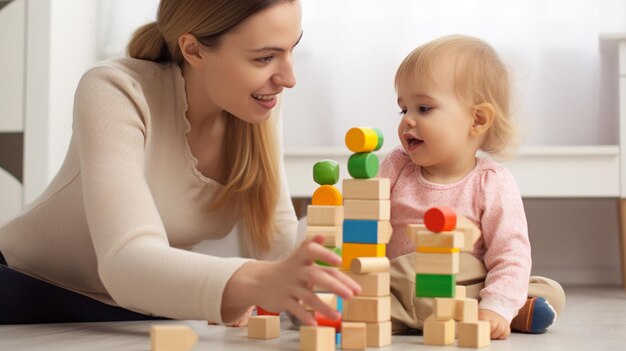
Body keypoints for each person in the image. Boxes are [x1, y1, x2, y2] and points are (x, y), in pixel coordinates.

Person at [0, 0, 360, 325]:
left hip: (135, 313)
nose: (289, 79)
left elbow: (275, 242)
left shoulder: (258, 106)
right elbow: (127, 261)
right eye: (264, 58)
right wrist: (253, 281)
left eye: (291, 49)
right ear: (194, 50)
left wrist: (340, 240)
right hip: (25, 290)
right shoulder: (116, 90)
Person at [381, 35, 566, 339]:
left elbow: (510, 252)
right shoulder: (395, 166)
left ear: (477, 119)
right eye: (404, 109)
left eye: (424, 108)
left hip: (464, 290)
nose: (407, 122)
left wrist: (495, 305)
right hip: (398, 288)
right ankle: (511, 312)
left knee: (547, 288)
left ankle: (500, 313)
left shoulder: (491, 182)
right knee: (355, 294)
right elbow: (360, 221)